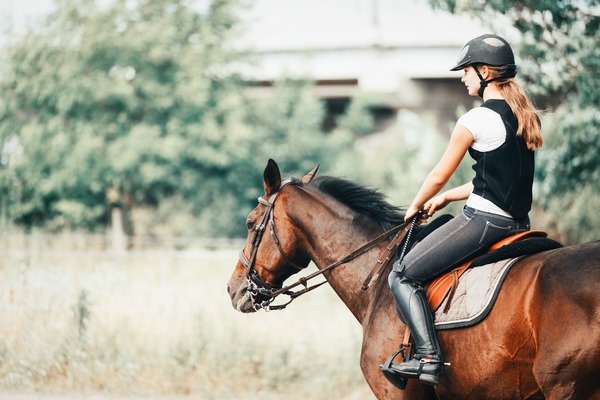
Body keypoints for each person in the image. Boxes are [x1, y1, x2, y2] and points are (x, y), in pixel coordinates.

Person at [382, 33, 543, 387]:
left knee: (402, 275)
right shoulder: (521, 115)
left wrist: (415, 205)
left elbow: (438, 173)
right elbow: (494, 178)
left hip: (485, 222)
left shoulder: (475, 120)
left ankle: (428, 357)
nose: (462, 77)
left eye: (466, 70)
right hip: (520, 223)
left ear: (484, 71)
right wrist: (447, 199)